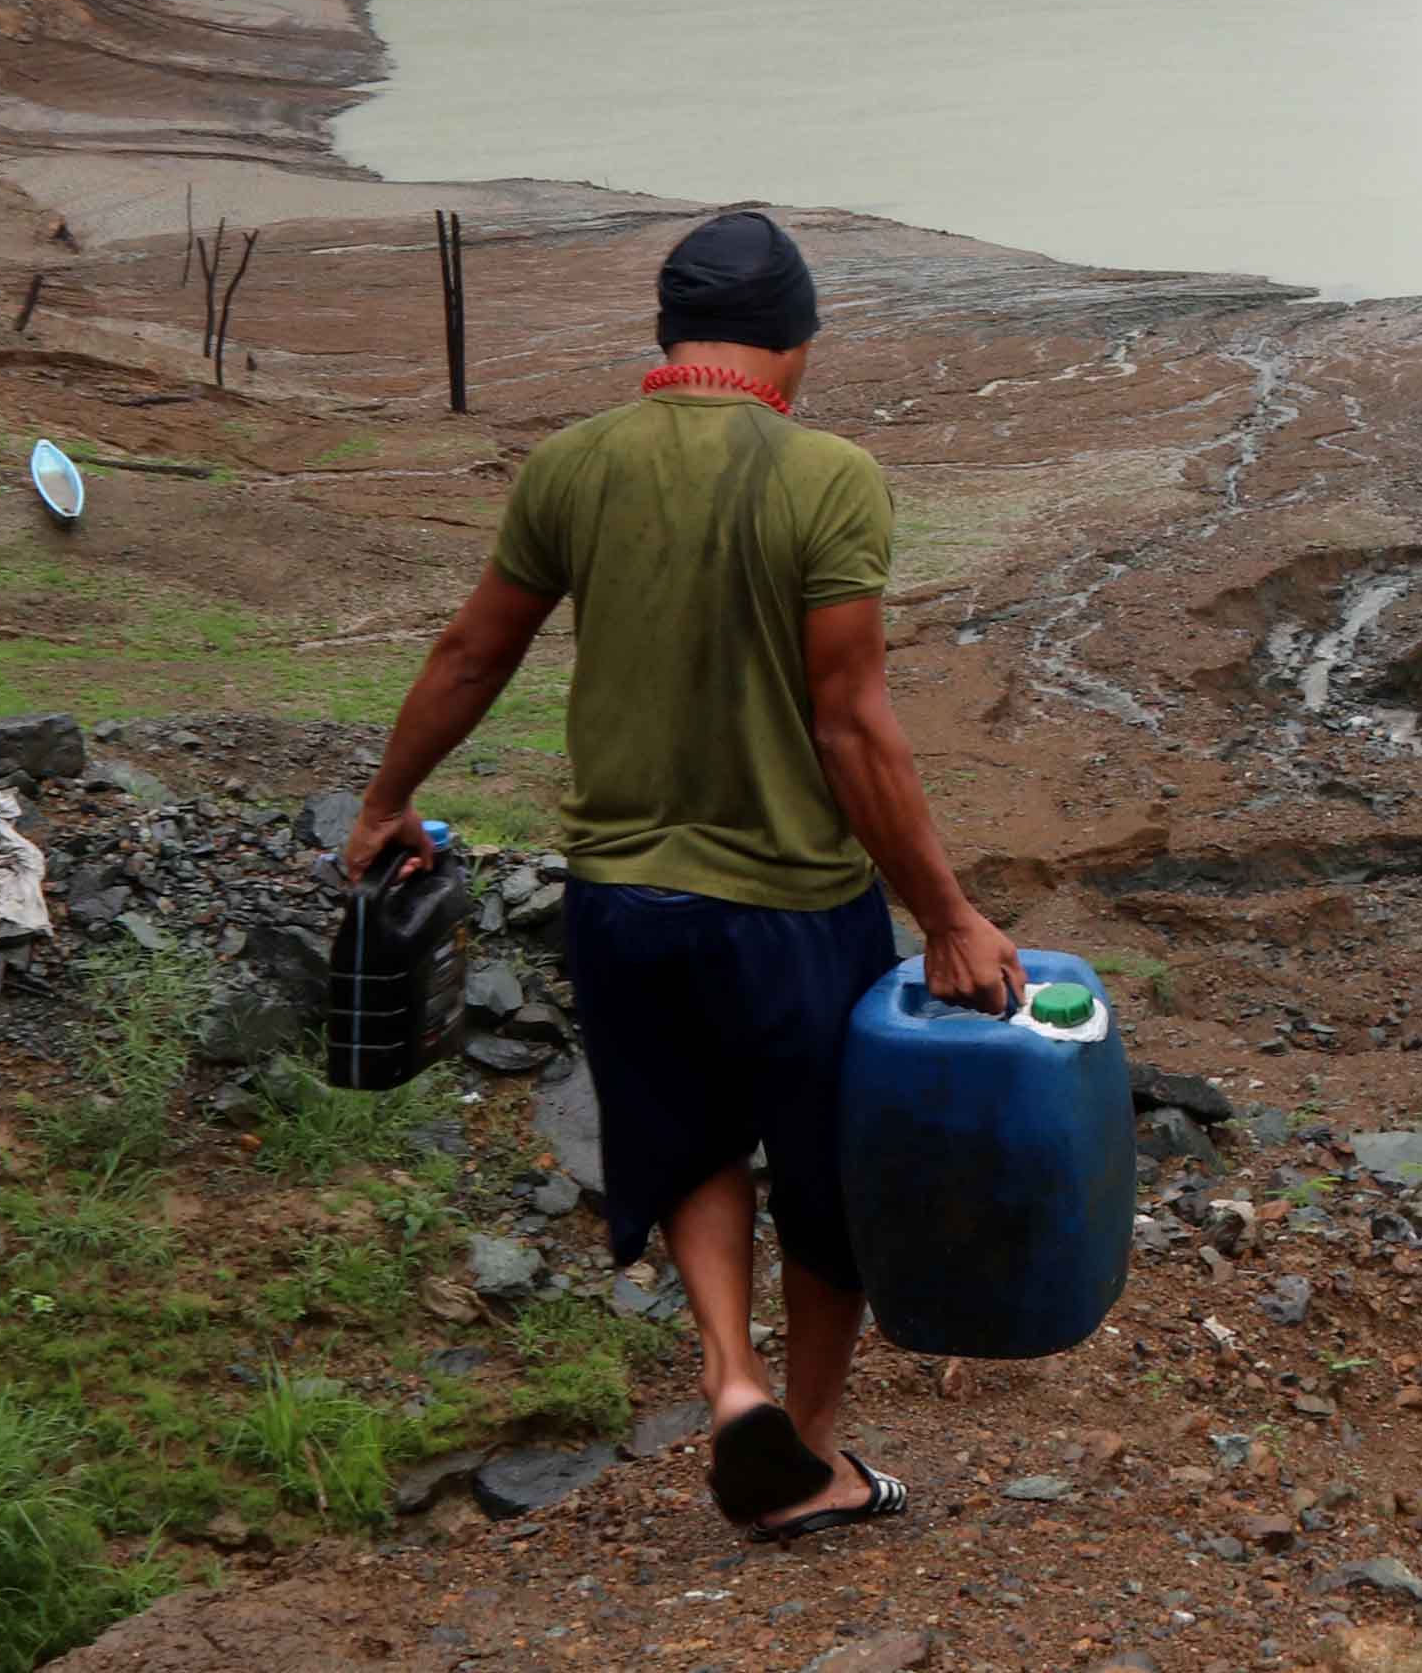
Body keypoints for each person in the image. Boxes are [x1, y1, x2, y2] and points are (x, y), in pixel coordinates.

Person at [343, 207, 1025, 1541]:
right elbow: (850, 720)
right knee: (826, 1185)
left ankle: (730, 1383)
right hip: (792, 907)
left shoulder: (573, 465)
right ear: (798, 341)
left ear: (668, 333)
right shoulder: (829, 477)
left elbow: (472, 653)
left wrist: (385, 802)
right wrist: (946, 915)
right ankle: (810, 1453)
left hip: (623, 904)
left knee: (688, 1138)